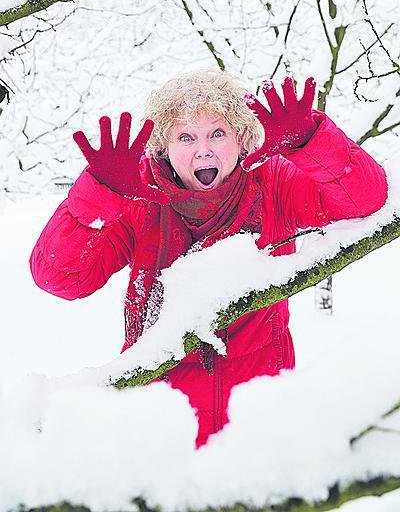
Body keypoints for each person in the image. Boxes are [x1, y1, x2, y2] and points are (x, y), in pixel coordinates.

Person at [30, 69, 388, 447]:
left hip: (260, 406)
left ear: (240, 136)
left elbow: (363, 201)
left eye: (217, 133)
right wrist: (97, 195)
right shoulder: (139, 198)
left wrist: (311, 142)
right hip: (158, 412)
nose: (203, 150)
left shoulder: (273, 183)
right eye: (186, 137)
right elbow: (60, 278)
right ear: (164, 146)